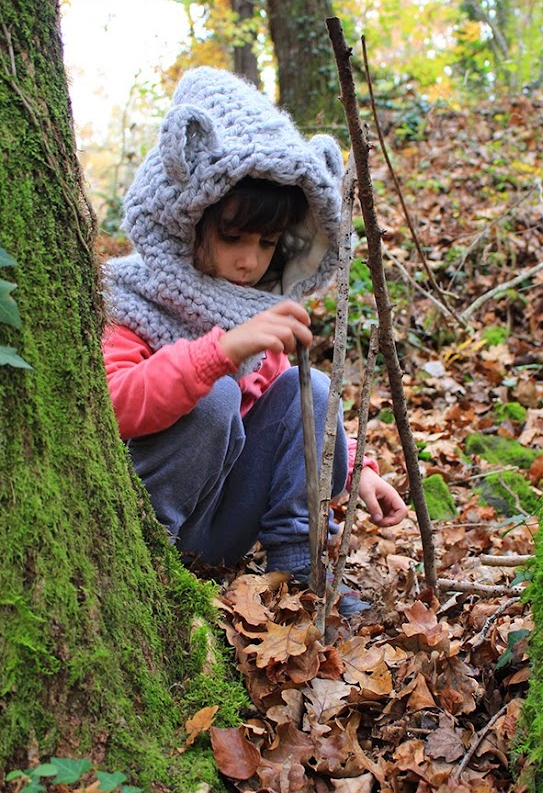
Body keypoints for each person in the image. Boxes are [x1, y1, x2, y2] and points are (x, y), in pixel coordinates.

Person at [102, 67, 406, 615]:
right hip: (148, 526)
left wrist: (356, 469)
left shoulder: (256, 310)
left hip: (223, 527)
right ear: (186, 223)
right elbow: (115, 406)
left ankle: (299, 575)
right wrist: (216, 355)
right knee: (215, 393)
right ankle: (153, 579)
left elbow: (286, 414)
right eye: (232, 236)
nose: (250, 261)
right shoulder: (132, 301)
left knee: (307, 386)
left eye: (267, 243)